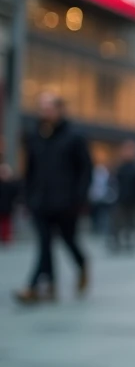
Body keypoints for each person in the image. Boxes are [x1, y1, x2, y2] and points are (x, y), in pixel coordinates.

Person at [14, 94, 92, 304]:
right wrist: (27, 196)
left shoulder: (74, 137)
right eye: (42, 108)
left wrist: (79, 198)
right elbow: (30, 170)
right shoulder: (36, 136)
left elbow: (85, 170)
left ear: (59, 110)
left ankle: (82, 263)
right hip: (40, 201)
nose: (44, 112)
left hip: (66, 202)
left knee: (68, 240)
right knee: (44, 243)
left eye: (48, 108)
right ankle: (38, 286)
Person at [111, 141, 135, 254]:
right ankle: (117, 242)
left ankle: (131, 242)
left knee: (132, 223)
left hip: (134, 200)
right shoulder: (120, 168)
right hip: (121, 199)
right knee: (118, 222)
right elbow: (114, 183)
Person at [0, 163, 20, 246]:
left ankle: (6, 237)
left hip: (7, 207)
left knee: (6, 222)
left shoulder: (12, 184)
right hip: (4, 206)